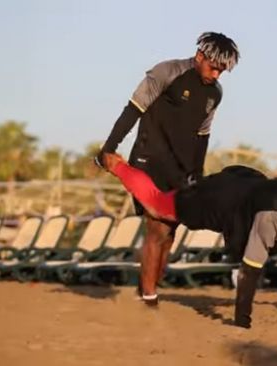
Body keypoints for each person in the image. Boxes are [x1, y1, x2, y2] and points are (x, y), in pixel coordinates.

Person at [102, 153, 277, 329]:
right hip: (222, 200)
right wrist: (241, 323)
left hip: (253, 188)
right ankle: (118, 166)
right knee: (159, 207)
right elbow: (250, 268)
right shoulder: (273, 217)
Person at [95, 32, 240, 305]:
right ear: (200, 56)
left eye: (222, 70)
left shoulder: (214, 93)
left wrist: (197, 174)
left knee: (170, 231)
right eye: (214, 67)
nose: (217, 75)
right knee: (157, 227)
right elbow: (133, 109)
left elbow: (202, 135)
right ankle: (149, 298)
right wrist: (109, 147)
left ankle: (146, 290)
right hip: (149, 160)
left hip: (181, 169)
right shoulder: (168, 72)